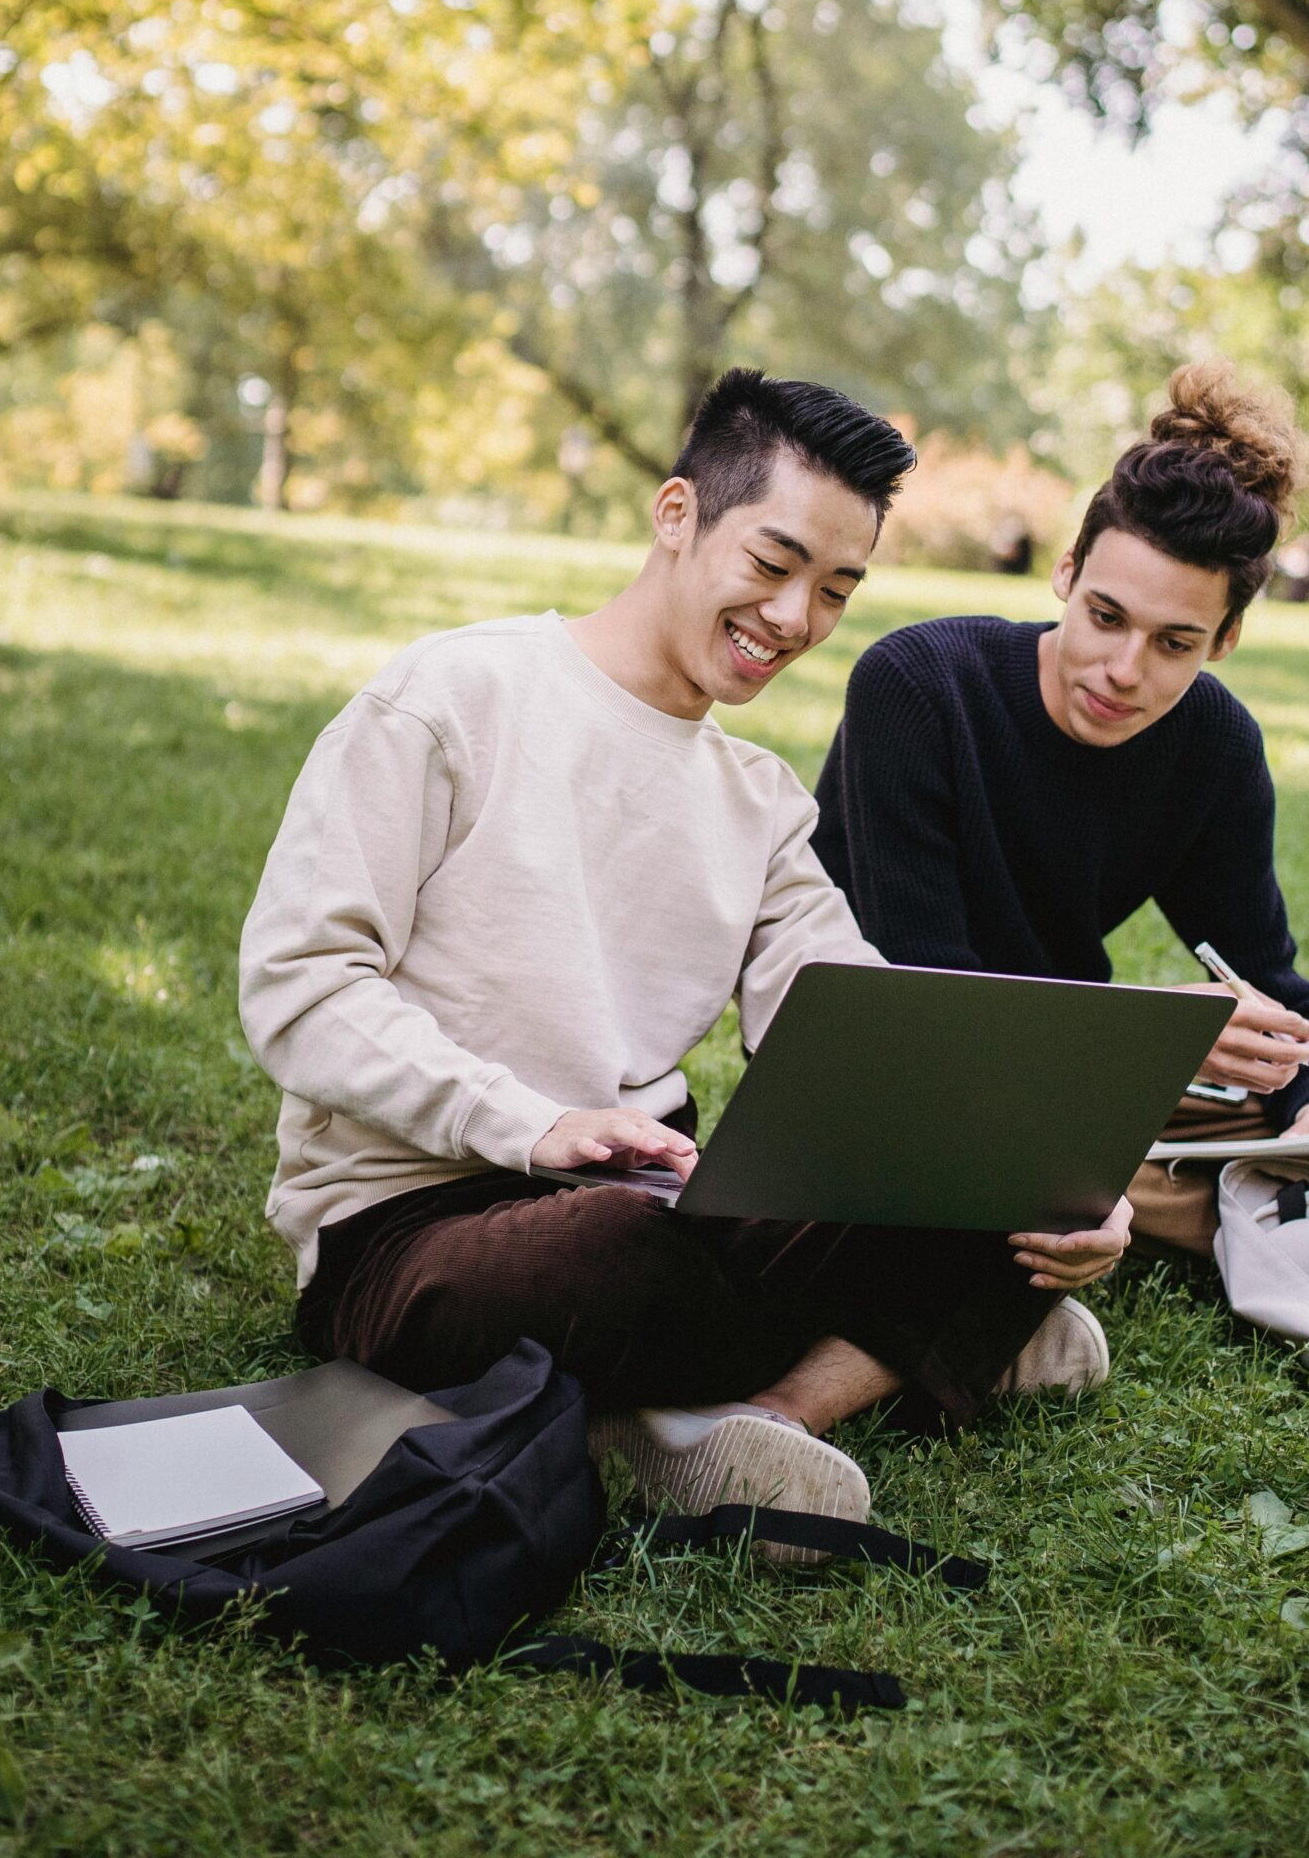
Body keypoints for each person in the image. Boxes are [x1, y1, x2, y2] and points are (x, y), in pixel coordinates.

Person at [240, 369, 1128, 1542]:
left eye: (836, 589)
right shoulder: (452, 696)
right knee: (619, 1253)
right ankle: (914, 1347)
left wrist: (1057, 1181)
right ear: (676, 515)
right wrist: (526, 1124)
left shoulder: (757, 799)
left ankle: (760, 1419)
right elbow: (301, 988)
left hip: (655, 1188)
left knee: (993, 1189)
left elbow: (861, 1029)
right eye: (773, 564)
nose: (797, 618)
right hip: (415, 1225)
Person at [812, 363, 1309, 1268]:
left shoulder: (1214, 748)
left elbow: (1269, 984)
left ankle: (1136, 1195)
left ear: (1223, 642)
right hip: (892, 1073)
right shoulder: (917, 689)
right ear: (1065, 575)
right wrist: (1155, 1035)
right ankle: (1166, 1207)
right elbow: (930, 1007)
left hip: (1066, 1087)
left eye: (1173, 643)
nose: (1122, 668)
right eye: (1105, 616)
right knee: (985, 1162)